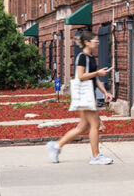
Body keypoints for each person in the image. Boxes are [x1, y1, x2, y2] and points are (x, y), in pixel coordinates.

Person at [47, 32, 114, 165]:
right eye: (95, 41)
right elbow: (81, 76)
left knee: (82, 127)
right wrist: (97, 72)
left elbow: (95, 79)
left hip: (89, 95)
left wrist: (105, 92)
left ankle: (56, 146)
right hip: (86, 96)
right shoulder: (82, 57)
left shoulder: (91, 57)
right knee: (95, 125)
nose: (98, 43)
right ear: (87, 42)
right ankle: (95, 156)